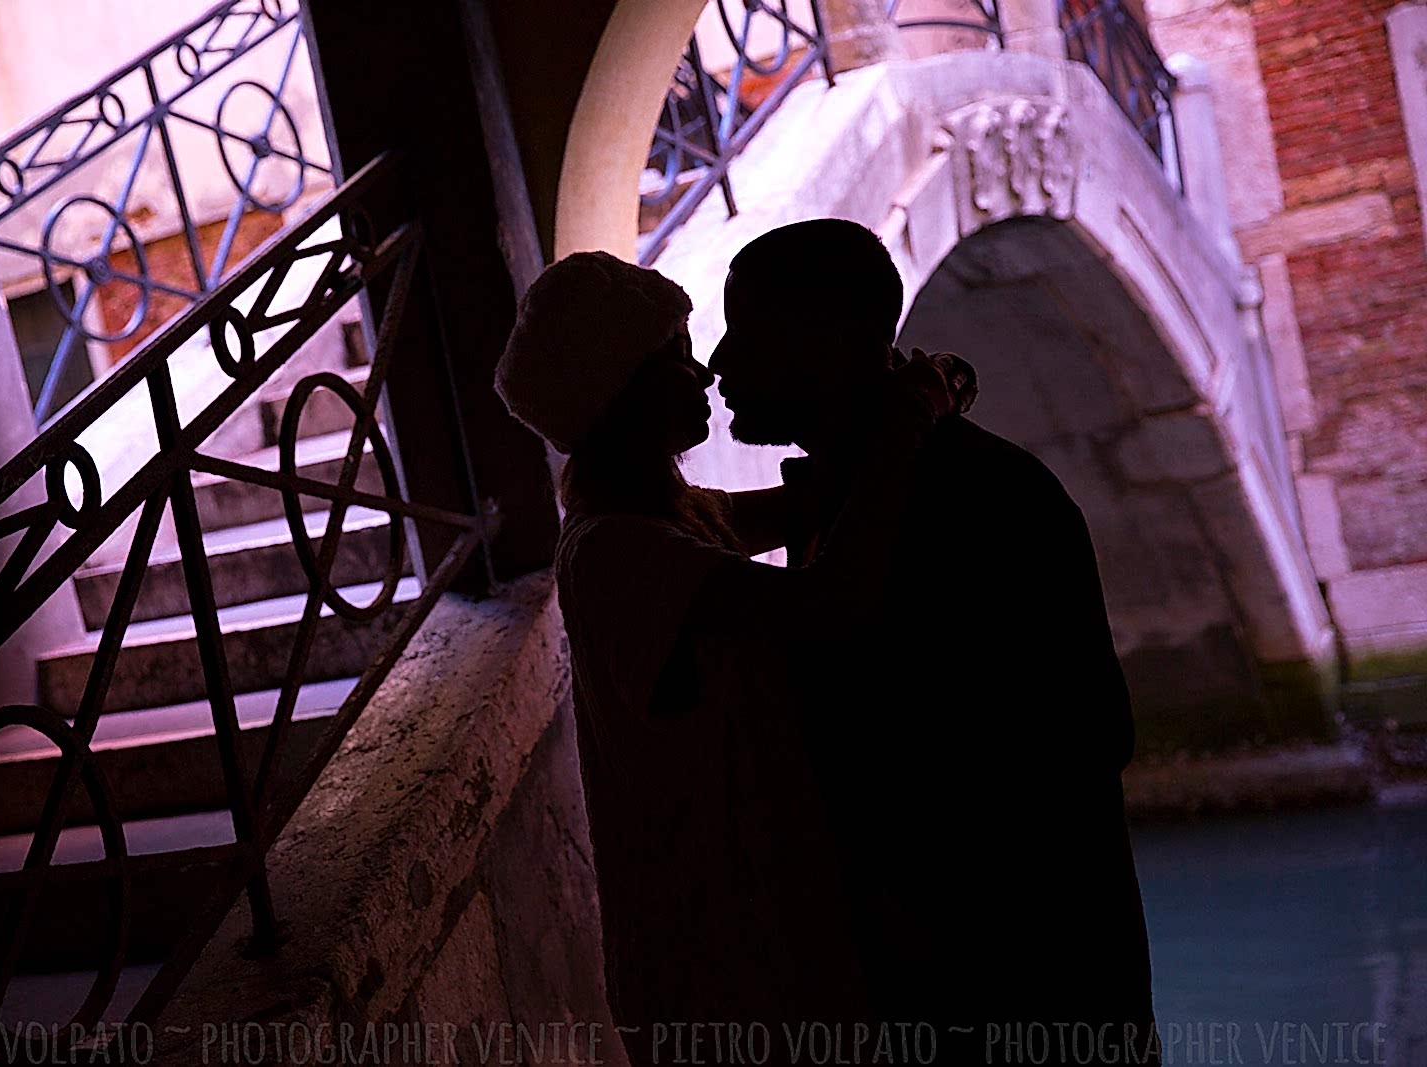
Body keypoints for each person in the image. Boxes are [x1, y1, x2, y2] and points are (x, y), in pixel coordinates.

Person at [494, 251, 976, 1063]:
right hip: (718, 971)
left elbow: (809, 505)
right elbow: (829, 605)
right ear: (627, 394)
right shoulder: (619, 553)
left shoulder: (667, 519)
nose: (707, 371)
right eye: (677, 357)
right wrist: (904, 420)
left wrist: (917, 401)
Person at [710, 218, 1158, 1061]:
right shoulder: (863, 500)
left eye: (747, 332)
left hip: (1012, 994)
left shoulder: (986, 502)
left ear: (831, 338)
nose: (719, 363)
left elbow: (1079, 740)